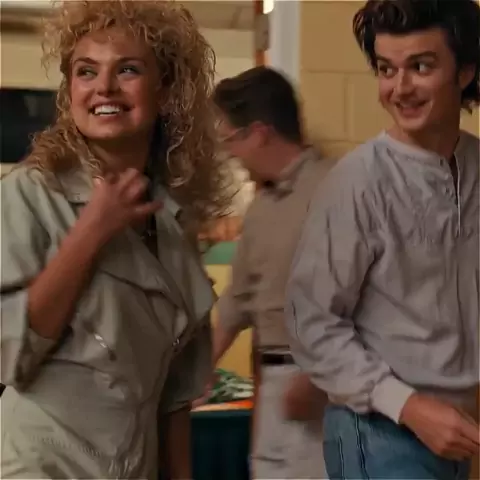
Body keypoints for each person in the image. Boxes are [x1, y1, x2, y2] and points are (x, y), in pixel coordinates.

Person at [0, 1, 230, 478]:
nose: (104, 87)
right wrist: (91, 232)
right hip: (41, 466)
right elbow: (9, 356)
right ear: (70, 91)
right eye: (86, 71)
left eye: (127, 70)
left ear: (165, 90)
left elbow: (174, 397)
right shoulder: (29, 194)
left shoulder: (173, 223)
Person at [285, 0, 480, 479]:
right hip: (379, 432)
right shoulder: (357, 182)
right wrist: (409, 406)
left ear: (465, 72)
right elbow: (313, 323)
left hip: (458, 431)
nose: (400, 88)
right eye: (387, 69)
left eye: (421, 66)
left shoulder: (476, 165)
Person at [204, 66, 333, 479]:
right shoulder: (261, 208)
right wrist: (198, 374)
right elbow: (236, 303)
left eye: (230, 140)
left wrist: (317, 378)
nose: (230, 154)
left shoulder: (336, 188)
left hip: (323, 388)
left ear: (258, 133)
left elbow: (367, 301)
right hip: (272, 383)